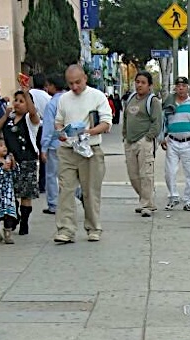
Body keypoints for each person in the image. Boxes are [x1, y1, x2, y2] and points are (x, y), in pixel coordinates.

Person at [52, 64, 112, 244]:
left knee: (90, 191)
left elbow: (106, 123)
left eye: (78, 82)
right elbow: (59, 122)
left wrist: (88, 132)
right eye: (71, 84)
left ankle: (93, 227)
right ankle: (66, 229)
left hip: (90, 150)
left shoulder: (97, 96)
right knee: (66, 190)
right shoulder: (64, 99)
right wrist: (61, 133)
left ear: (85, 78)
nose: (75, 87)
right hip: (68, 150)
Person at [0, 90, 40, 235]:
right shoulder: (9, 119)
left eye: (21, 101)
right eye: (16, 100)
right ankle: (14, 217)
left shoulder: (30, 120)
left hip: (27, 161)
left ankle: (24, 222)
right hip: (10, 163)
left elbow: (33, 113)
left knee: (25, 194)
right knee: (11, 193)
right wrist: (6, 115)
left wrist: (26, 92)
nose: (17, 103)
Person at [161, 75, 190, 211]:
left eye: (183, 86)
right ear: (175, 88)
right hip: (172, 142)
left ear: (188, 88)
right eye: (178, 86)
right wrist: (162, 138)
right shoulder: (169, 104)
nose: (181, 88)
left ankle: (188, 200)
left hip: (189, 143)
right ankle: (173, 197)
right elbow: (163, 123)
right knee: (169, 172)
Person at [123, 71, 163, 217]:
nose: (139, 85)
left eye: (143, 82)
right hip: (130, 142)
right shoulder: (131, 99)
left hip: (144, 142)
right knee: (133, 176)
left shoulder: (153, 102)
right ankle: (145, 199)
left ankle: (147, 205)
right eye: (137, 82)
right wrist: (125, 136)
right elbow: (126, 118)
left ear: (150, 86)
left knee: (145, 174)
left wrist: (148, 138)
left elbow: (157, 123)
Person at [40, 73, 66, 215]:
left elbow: (49, 127)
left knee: (52, 175)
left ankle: (53, 204)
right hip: (69, 142)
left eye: (48, 85)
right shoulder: (70, 99)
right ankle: (81, 194)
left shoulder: (52, 103)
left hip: (54, 144)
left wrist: (44, 147)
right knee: (69, 174)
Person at [29, 73, 52, 194]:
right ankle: (42, 184)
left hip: (31, 127)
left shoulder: (28, 94)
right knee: (43, 157)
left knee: (31, 155)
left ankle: (30, 182)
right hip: (43, 128)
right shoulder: (48, 98)